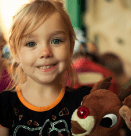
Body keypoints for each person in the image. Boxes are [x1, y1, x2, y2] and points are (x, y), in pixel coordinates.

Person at [0, 1, 119, 136]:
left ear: (70, 47)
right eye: (31, 43)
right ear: (15, 53)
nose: (45, 52)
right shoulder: (6, 105)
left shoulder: (86, 101)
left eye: (56, 41)